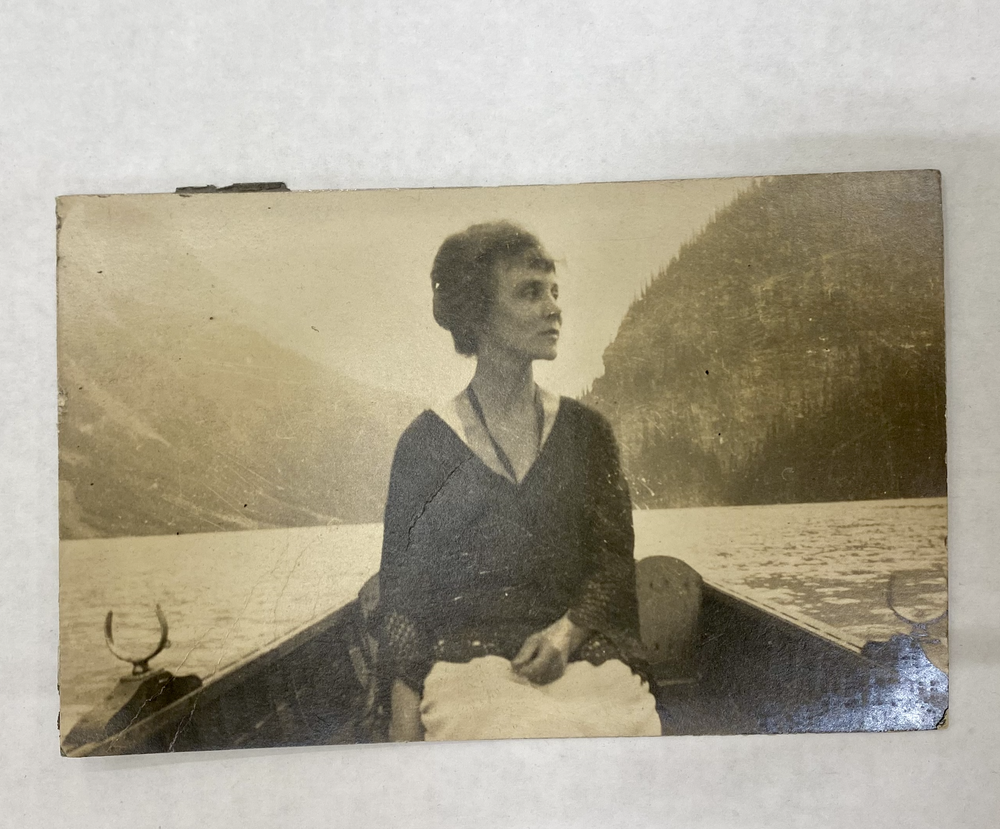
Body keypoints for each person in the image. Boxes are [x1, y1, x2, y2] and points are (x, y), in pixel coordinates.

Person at [378, 221, 661, 741]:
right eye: (530, 292)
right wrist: (404, 728)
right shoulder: (424, 445)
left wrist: (566, 633)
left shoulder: (586, 433)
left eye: (554, 291)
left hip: (580, 658)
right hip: (469, 671)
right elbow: (404, 599)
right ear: (477, 312)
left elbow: (613, 565)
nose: (554, 307)